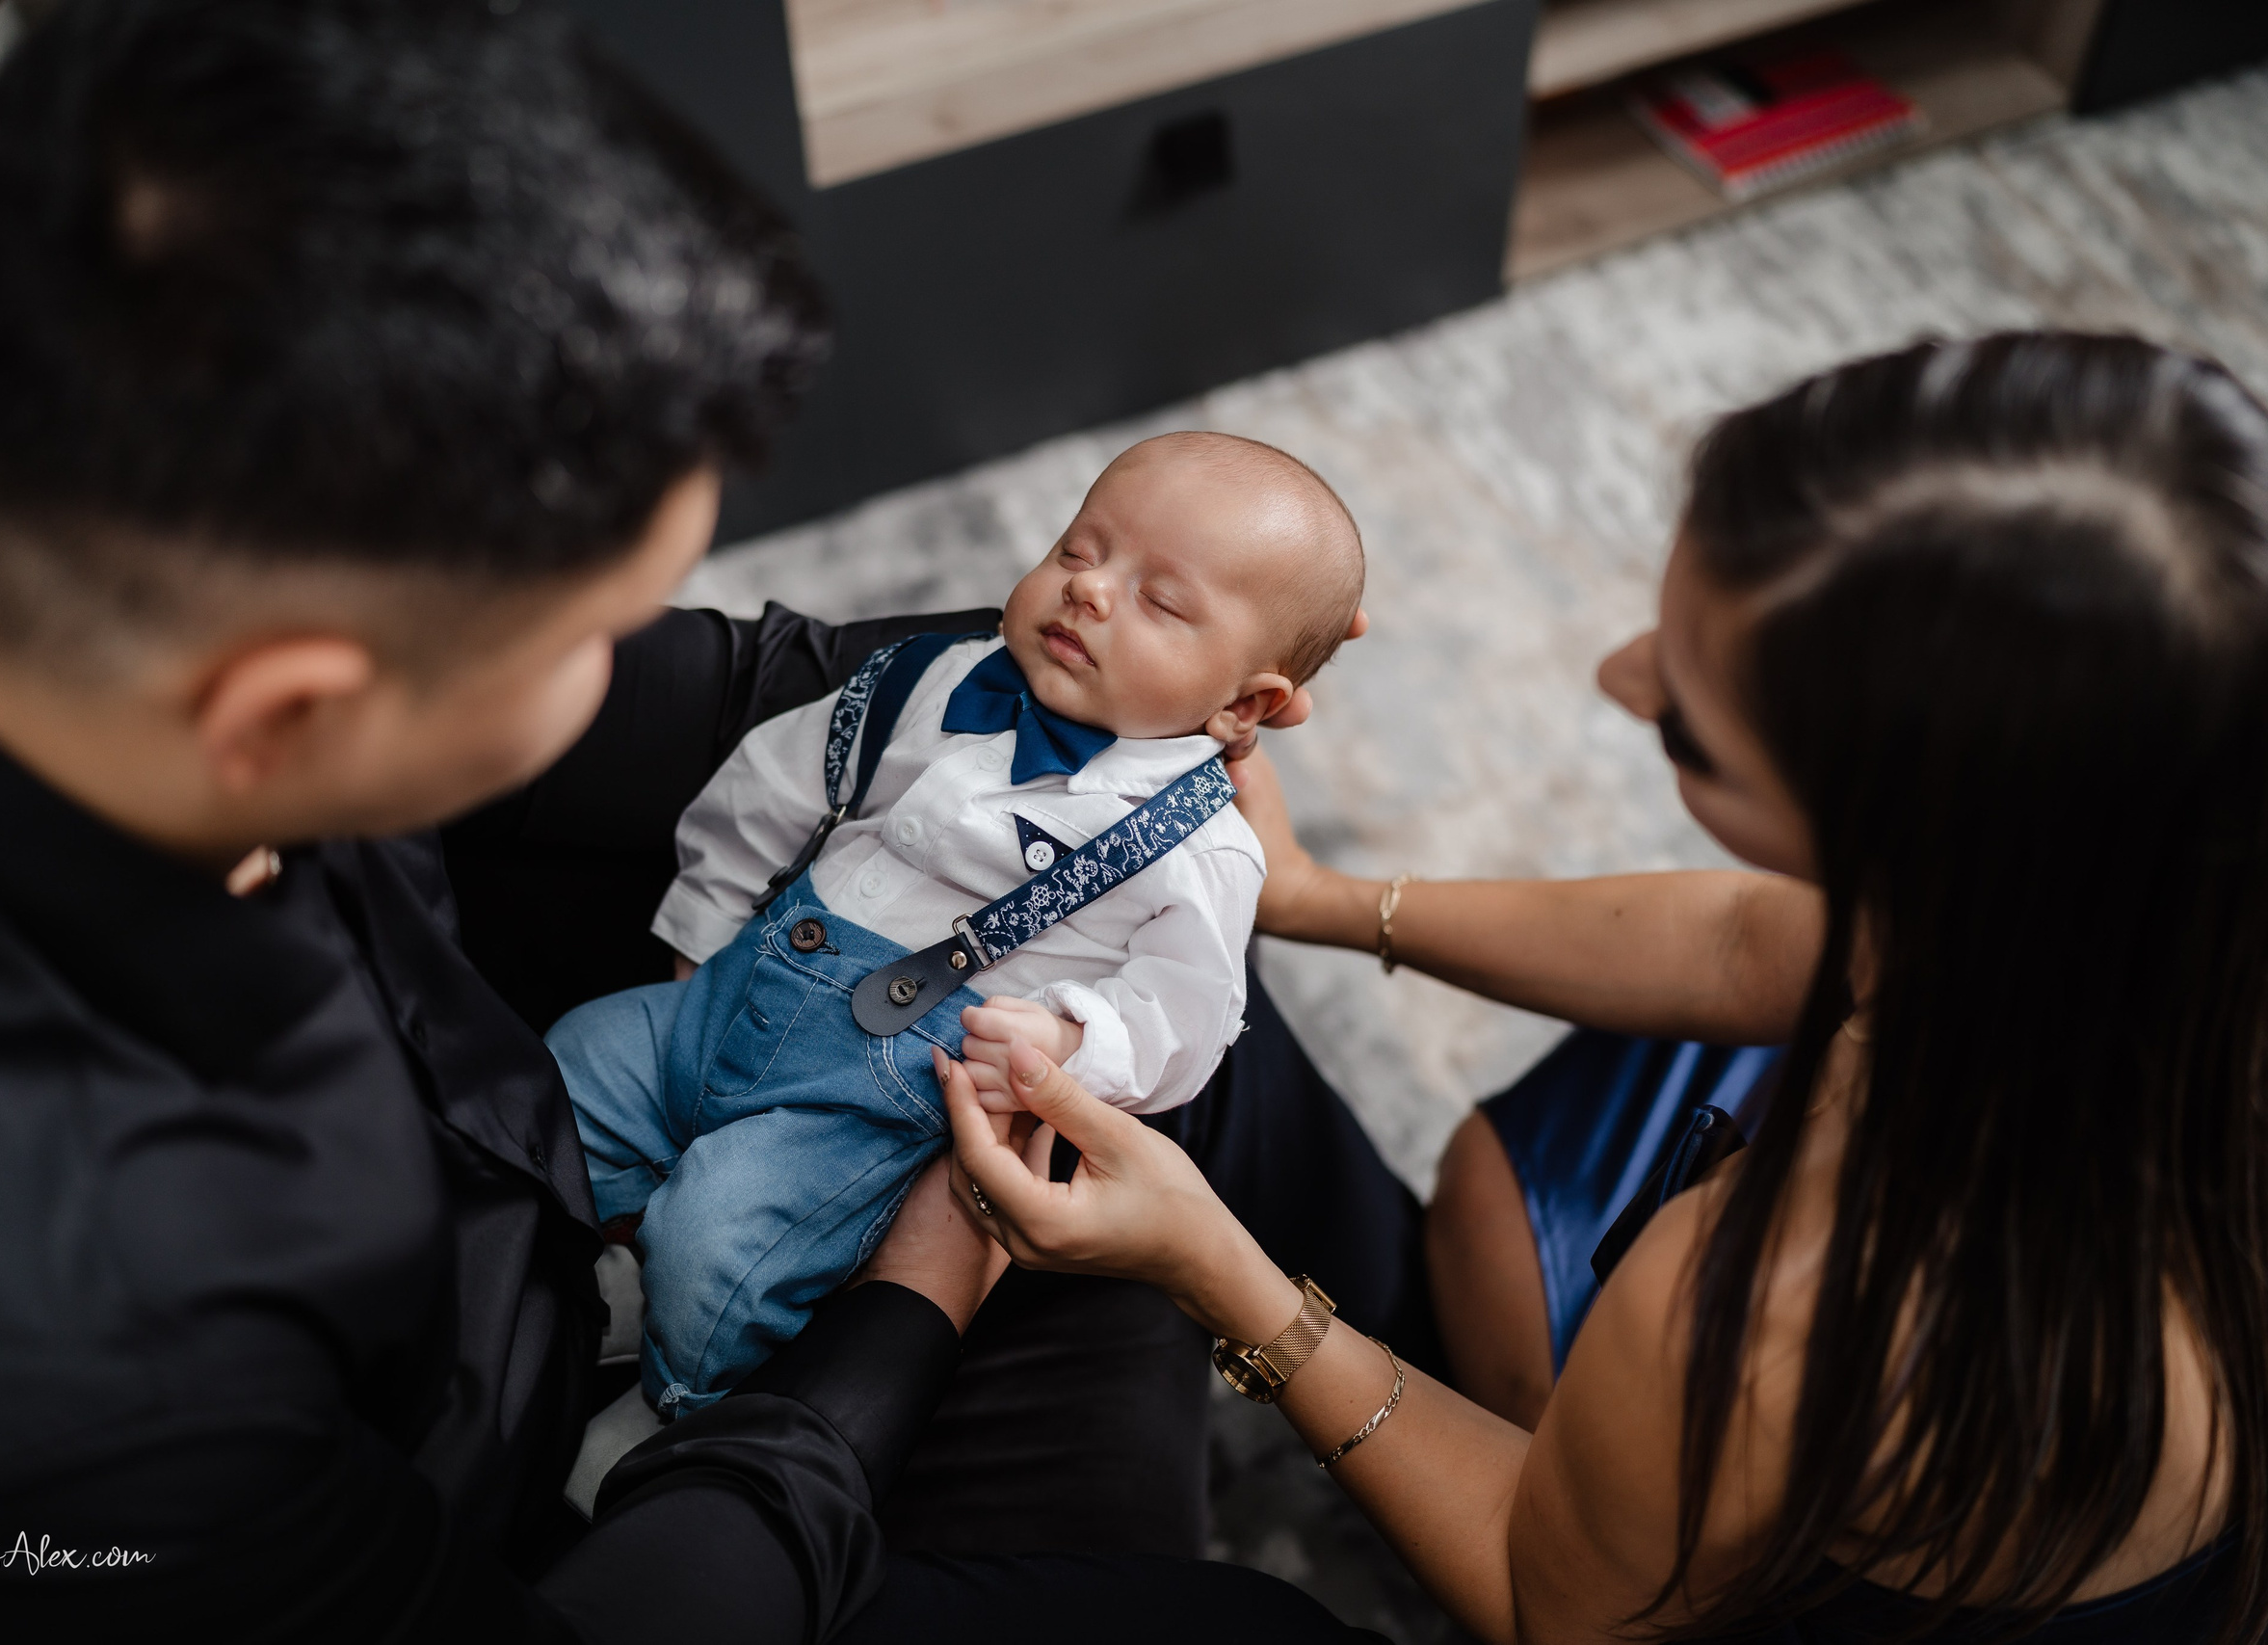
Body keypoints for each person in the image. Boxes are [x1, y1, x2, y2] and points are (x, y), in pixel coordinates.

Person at [0, 1, 1416, 1636]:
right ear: (293, 712)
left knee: (1210, 1010)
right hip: (572, 1473)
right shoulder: (68, 1406)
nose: (619, 668)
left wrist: (1116, 714)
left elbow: (762, 699)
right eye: (588, 636)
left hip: (692, 1065)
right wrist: (911, 1304)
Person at [943, 332, 2266, 1641]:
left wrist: (1219, 1272)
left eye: (1689, 722)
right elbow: (1752, 942)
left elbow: (1541, 1599)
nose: (1617, 674)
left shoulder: (1779, 1313)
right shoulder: (2139, 886)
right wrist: (1317, 899)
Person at [544, 431, 1364, 1418]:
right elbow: (771, 787)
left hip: (865, 1107)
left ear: (1247, 703)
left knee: (724, 1242)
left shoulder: (1198, 852)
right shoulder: (929, 678)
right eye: (1077, 549)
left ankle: (669, 1402)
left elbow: (1185, 1023)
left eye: (1161, 600)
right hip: (729, 987)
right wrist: (702, 938)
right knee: (569, 1071)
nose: (1089, 591)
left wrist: (1071, 1040)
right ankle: (548, 1266)